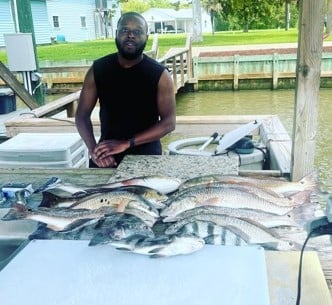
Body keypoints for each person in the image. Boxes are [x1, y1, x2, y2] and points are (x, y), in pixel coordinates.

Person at [75, 12, 176, 168]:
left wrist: (127, 143)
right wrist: (94, 149)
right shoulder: (98, 69)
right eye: (124, 30)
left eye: (137, 31)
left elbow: (169, 123)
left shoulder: (160, 75)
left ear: (146, 37)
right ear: (116, 34)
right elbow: (81, 116)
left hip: (147, 159)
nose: (130, 35)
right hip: (106, 157)